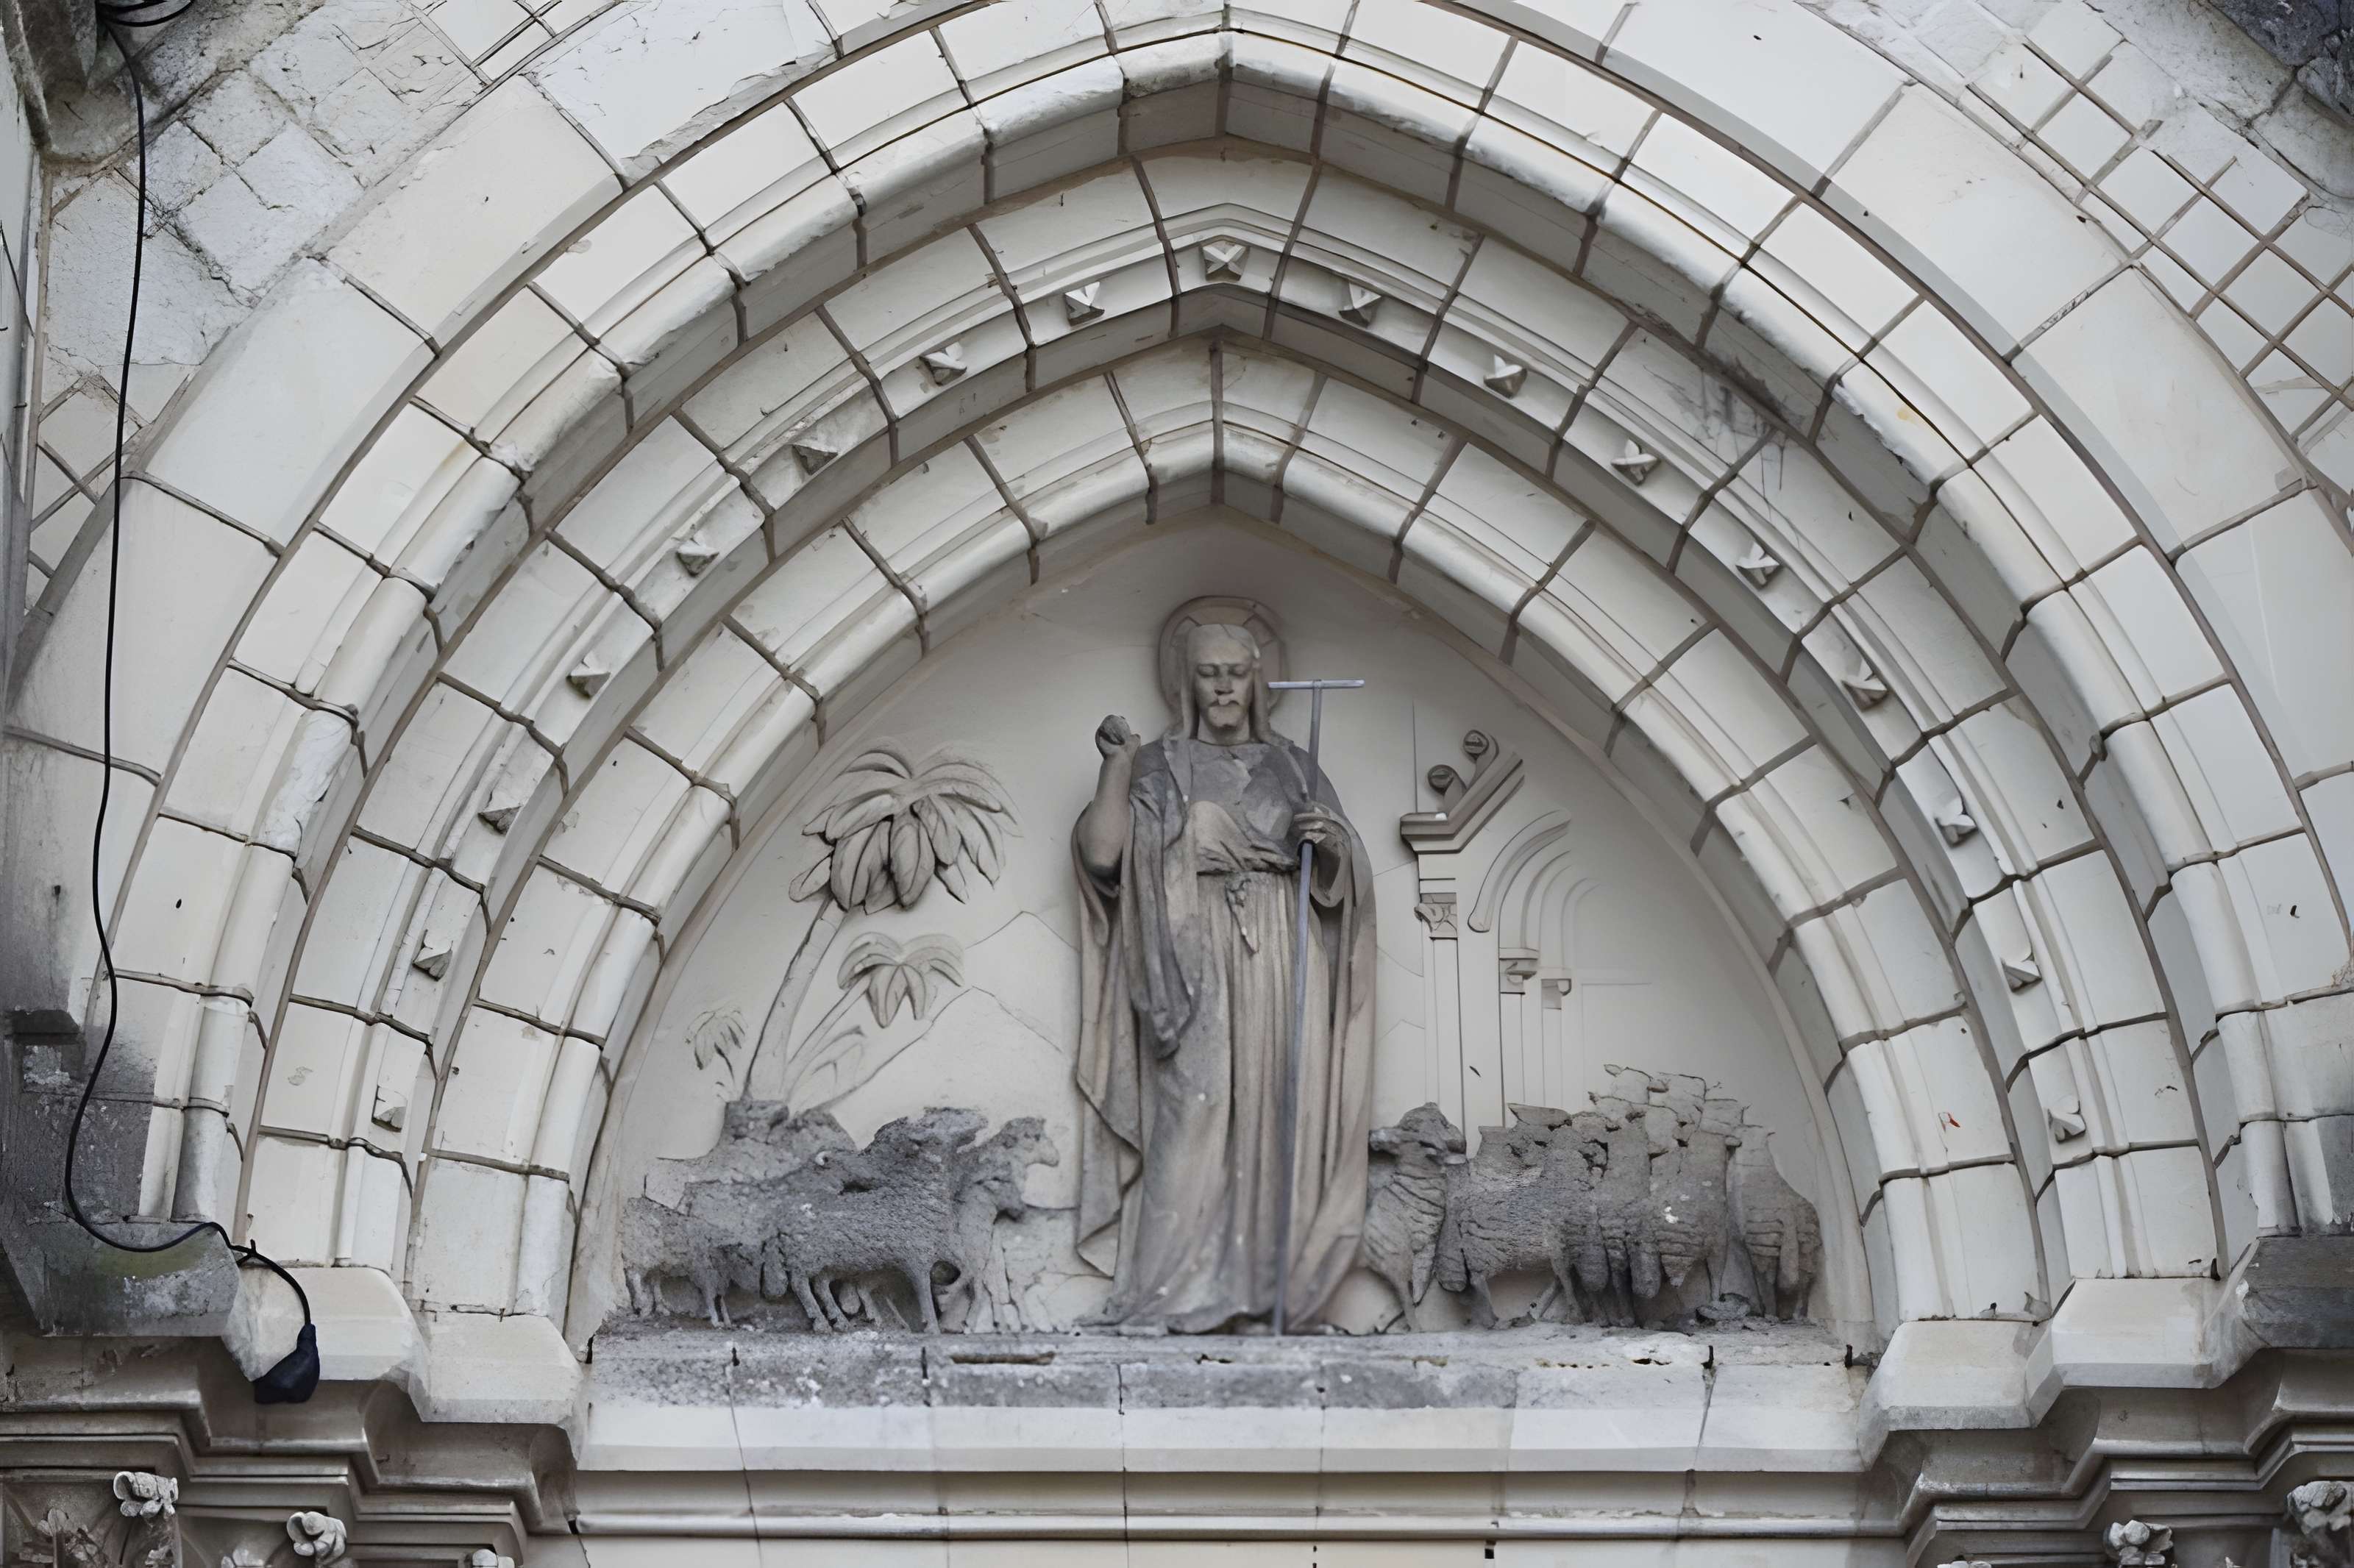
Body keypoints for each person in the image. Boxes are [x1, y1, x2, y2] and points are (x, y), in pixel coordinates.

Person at [1071, 621, 1376, 1332]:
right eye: (1208, 673)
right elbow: (1105, 855)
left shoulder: (1297, 767)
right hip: (1188, 953)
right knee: (1192, 1114)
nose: (1223, 687)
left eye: (1236, 672)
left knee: (1280, 1112)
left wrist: (1329, 846)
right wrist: (1118, 765)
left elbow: (1340, 881)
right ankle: (1166, 1296)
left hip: (1282, 949)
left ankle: (1269, 1295)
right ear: (1186, 680)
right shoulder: (1160, 766)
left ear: (1259, 678)